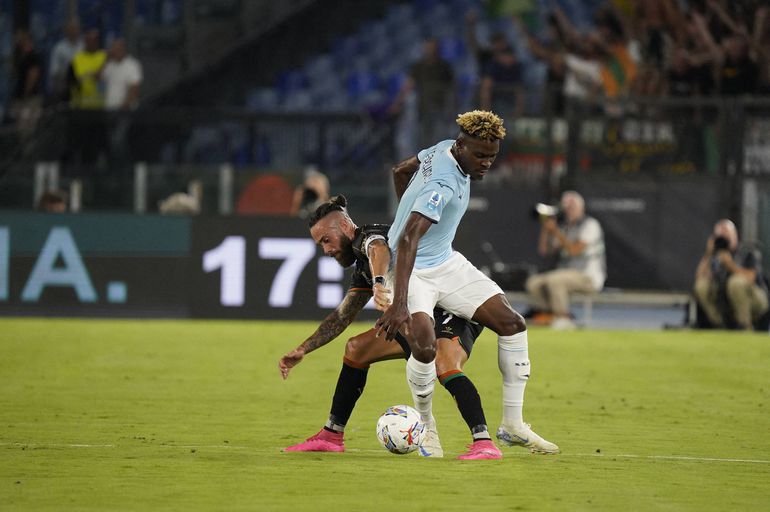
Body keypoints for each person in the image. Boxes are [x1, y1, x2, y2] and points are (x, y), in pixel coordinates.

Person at [376, 110, 559, 457]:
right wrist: (399, 303)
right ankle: (426, 426)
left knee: (512, 324)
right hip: (412, 271)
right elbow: (408, 238)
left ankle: (513, 425)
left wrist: (406, 206)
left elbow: (400, 170)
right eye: (480, 155)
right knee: (425, 347)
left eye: (492, 156)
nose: (486, 163)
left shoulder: (443, 147)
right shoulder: (442, 185)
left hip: (446, 262)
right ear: (461, 147)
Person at [279, 195, 502, 460]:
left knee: (444, 363)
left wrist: (379, 282)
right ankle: (331, 435)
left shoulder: (368, 237)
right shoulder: (362, 266)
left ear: (346, 226)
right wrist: (304, 349)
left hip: (452, 310)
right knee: (356, 348)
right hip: (417, 316)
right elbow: (342, 316)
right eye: (320, 245)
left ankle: (483, 442)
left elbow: (378, 249)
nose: (326, 250)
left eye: (327, 240)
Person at [525, 191, 606, 330]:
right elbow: (545, 251)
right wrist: (546, 227)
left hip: (588, 276)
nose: (569, 210)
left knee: (555, 280)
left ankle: (563, 318)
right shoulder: (565, 227)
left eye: (572, 206)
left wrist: (556, 231)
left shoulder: (590, 225)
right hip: (566, 274)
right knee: (534, 282)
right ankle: (546, 315)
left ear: (581, 207)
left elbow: (574, 250)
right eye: (567, 206)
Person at [693, 219, 769, 330]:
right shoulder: (715, 255)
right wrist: (708, 254)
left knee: (736, 283)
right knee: (702, 286)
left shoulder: (747, 251)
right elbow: (699, 277)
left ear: (735, 235)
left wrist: (730, 265)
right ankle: (719, 324)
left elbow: (752, 277)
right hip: (725, 298)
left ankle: (744, 326)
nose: (724, 239)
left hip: (755, 299)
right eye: (720, 236)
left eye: (727, 235)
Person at [101, 38, 143, 110]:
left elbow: (135, 89)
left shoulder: (132, 65)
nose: (113, 51)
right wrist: (106, 59)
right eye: (112, 49)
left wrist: (123, 108)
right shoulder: (110, 65)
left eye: (116, 49)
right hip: (110, 109)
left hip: (126, 110)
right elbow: (97, 77)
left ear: (122, 50)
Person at [48, 18, 83, 103]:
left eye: (75, 28)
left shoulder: (84, 46)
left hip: (82, 86)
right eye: (71, 28)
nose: (73, 31)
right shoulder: (59, 48)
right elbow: (54, 71)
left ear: (79, 29)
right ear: (66, 30)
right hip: (64, 87)